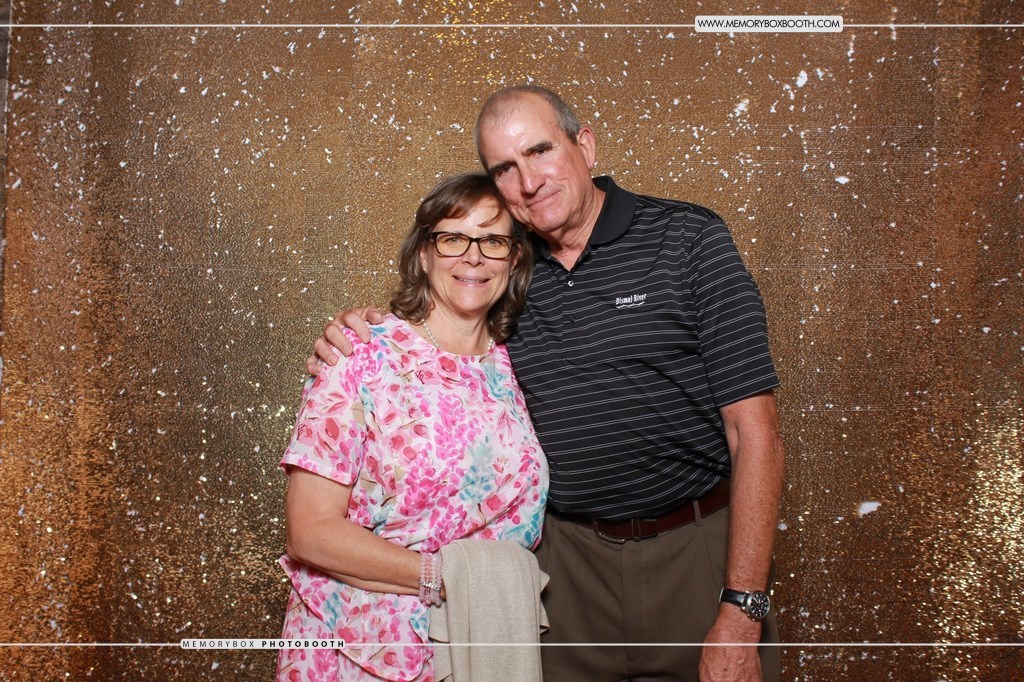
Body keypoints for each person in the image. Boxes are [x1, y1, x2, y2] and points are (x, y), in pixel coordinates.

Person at [311, 86, 784, 682]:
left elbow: (755, 432)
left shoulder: (687, 239)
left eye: (540, 151)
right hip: (565, 573)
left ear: (584, 146)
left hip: (695, 552)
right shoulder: (506, 267)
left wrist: (742, 607)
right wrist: (358, 333)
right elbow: (440, 332)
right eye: (504, 169)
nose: (529, 182)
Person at [277, 172, 548, 681]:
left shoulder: (514, 365)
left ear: (513, 259)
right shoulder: (359, 355)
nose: (473, 257)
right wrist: (446, 578)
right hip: (364, 650)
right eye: (453, 238)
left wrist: (477, 590)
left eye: (492, 241)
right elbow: (309, 533)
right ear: (423, 253)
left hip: (480, 642)